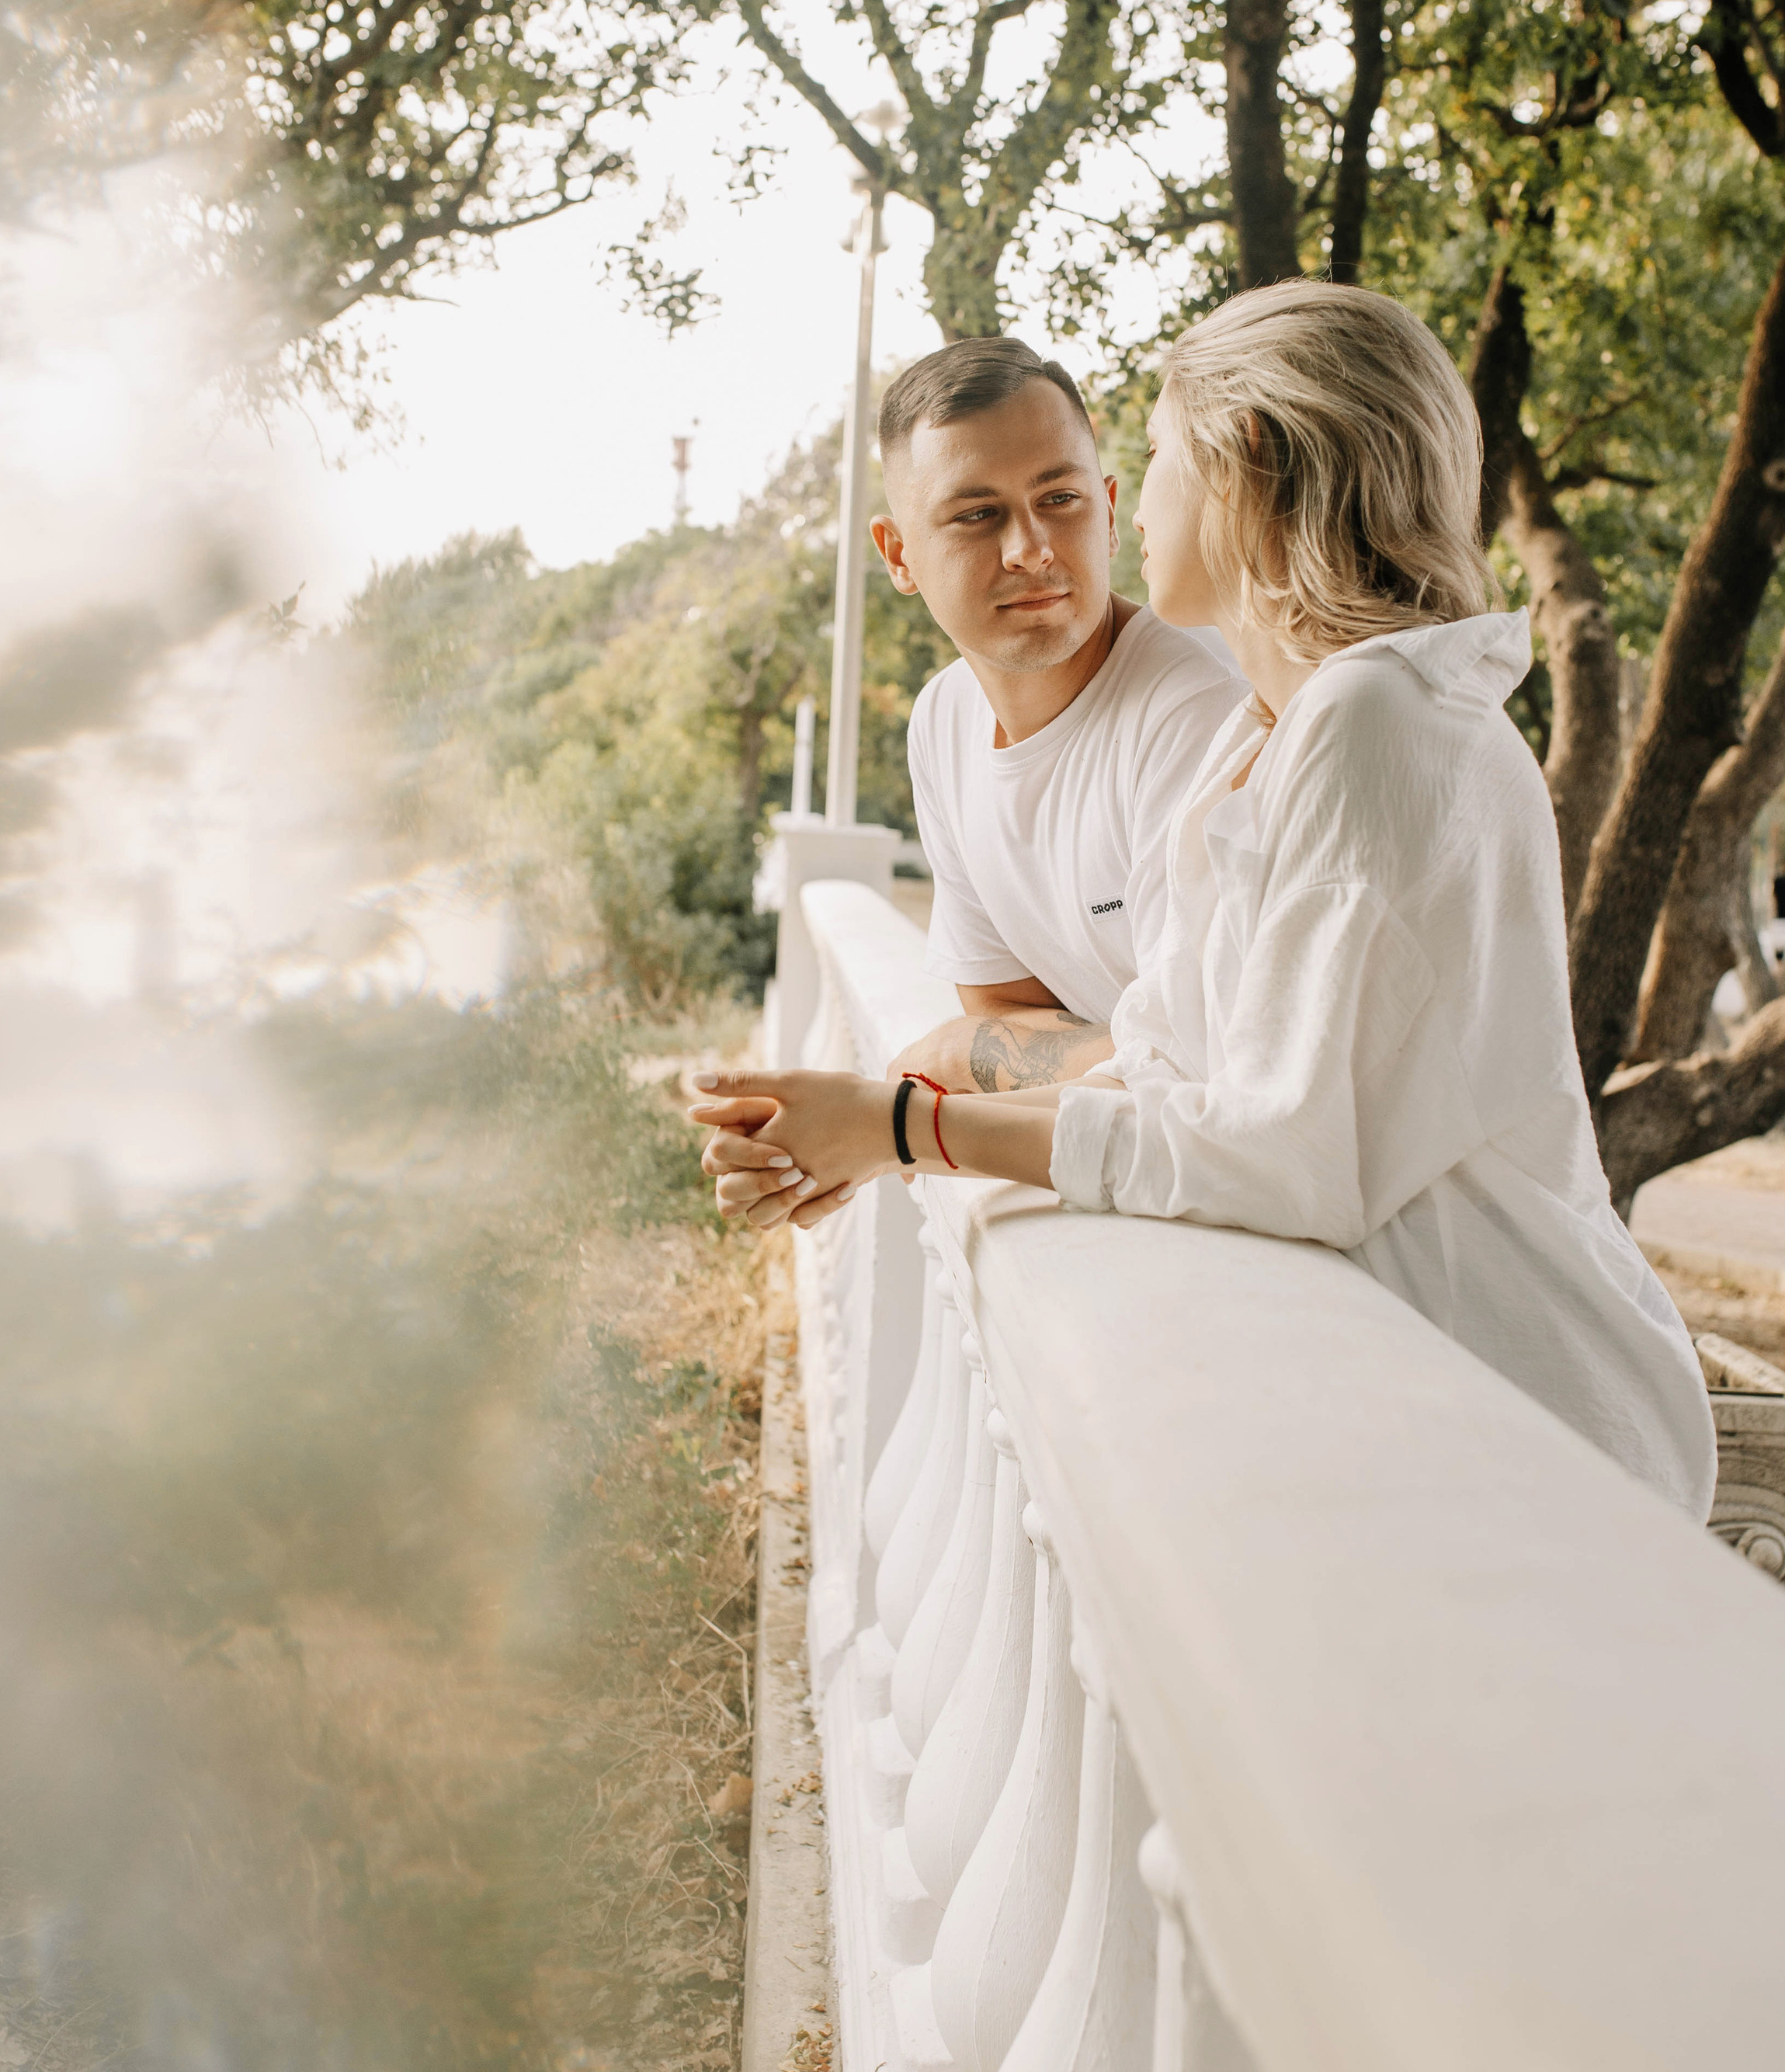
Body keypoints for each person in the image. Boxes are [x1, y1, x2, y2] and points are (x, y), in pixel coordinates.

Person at [694, 280, 1716, 1517]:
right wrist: (876, 1114)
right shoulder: (1282, 734)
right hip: (1412, 1404)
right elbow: (1174, 1072)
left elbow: (1273, 1151)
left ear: (1249, 468)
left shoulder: (1371, 720)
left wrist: (905, 1129)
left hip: (1529, 1416)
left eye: (1160, 455)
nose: (1118, 510)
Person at [870, 337, 1245, 1093]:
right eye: (977, 514)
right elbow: (1001, 1007)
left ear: (1107, 513)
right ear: (898, 554)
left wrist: (950, 1061)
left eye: (1058, 500)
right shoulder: (943, 721)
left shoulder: (1198, 711)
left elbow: (1214, 1072)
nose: (1031, 549)